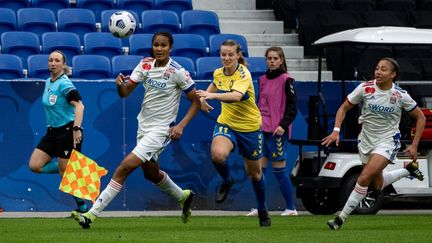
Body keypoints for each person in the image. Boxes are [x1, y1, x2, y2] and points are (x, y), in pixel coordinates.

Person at [71, 32, 201, 229]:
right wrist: (120, 85)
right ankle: (183, 196)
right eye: (156, 45)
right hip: (144, 126)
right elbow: (125, 92)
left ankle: (91, 214)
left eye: (163, 45)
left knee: (124, 167)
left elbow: (196, 102)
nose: (159, 48)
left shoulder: (178, 71)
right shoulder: (146, 64)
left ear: (170, 47)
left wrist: (180, 126)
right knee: (151, 174)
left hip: (161, 130)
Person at [322, 57, 426, 230]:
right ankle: (408, 170)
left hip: (387, 141)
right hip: (366, 140)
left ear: (393, 74)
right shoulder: (365, 88)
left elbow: (420, 118)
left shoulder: (400, 95)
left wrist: (414, 144)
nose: (378, 72)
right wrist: (336, 131)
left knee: (363, 177)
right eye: (377, 68)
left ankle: (340, 218)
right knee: (377, 186)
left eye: (384, 69)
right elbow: (343, 108)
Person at [196, 39, 271, 227]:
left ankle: (262, 209)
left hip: (249, 128)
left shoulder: (243, 74)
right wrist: (205, 97)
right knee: (217, 154)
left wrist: (212, 96)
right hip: (227, 123)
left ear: (238, 55)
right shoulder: (219, 73)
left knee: (254, 174)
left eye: (230, 54)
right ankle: (227, 180)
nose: (226, 58)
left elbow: (236, 96)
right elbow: (214, 84)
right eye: (223, 54)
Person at [28, 50, 87, 213]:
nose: (53, 63)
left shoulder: (64, 84)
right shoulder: (48, 82)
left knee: (63, 173)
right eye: (51, 60)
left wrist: (76, 129)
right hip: (52, 132)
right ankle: (72, 169)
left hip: (68, 131)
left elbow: (80, 106)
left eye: (57, 61)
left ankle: (82, 208)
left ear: (63, 64)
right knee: (35, 165)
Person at [247, 47, 298, 217]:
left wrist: (283, 125)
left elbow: (292, 108)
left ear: (281, 60)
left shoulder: (287, 80)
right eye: (269, 58)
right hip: (261, 129)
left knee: (279, 171)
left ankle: (291, 208)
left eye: (276, 58)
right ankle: (260, 207)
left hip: (277, 131)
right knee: (258, 170)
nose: (272, 61)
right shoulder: (261, 80)